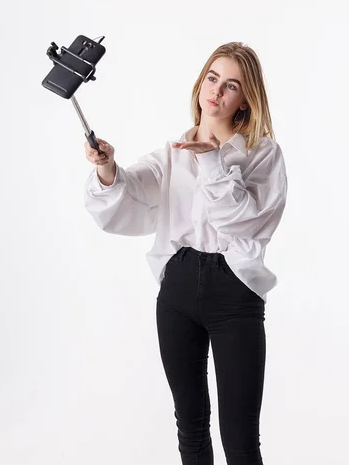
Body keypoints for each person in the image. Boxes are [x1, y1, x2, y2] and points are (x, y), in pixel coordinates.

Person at [83, 41, 288, 465]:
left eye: (231, 85)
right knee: (190, 428)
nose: (217, 91)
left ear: (246, 99)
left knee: (240, 436)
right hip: (177, 293)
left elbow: (246, 222)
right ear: (200, 83)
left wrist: (213, 161)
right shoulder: (172, 153)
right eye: (212, 78)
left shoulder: (262, 154)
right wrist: (106, 167)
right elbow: (130, 192)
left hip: (236, 293)